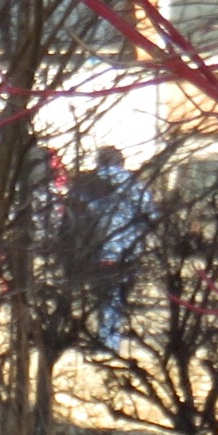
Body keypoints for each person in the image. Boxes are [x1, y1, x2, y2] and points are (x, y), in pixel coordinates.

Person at [70, 146, 153, 349]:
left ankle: (103, 336)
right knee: (116, 294)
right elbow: (151, 215)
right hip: (128, 250)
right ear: (121, 162)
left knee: (102, 293)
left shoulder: (87, 183)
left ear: (98, 161)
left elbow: (74, 216)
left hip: (95, 248)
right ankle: (109, 338)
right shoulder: (135, 184)